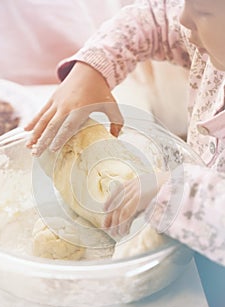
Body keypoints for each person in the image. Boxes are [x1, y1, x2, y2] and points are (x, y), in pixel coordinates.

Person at [25, 0, 225, 267]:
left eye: (201, 12)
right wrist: (93, 67)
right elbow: (157, 19)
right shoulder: (208, 42)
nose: (184, 19)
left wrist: (175, 189)